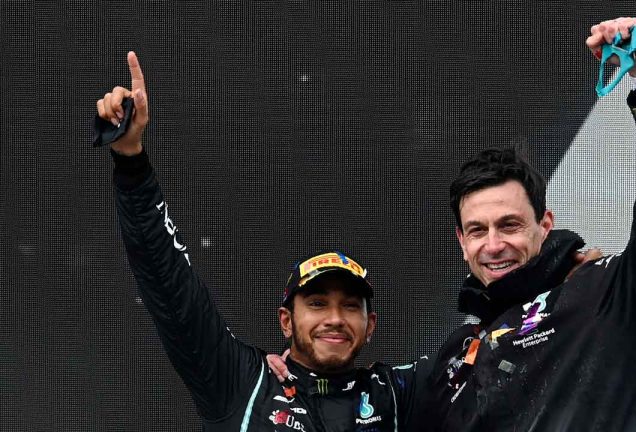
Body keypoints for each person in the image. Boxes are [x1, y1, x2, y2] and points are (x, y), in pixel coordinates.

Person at [406, 17, 636, 431]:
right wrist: (288, 375)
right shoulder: (453, 355)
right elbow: (360, 396)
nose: (493, 245)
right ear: (461, 241)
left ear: (544, 224)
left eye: (510, 225)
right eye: (478, 230)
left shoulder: (609, 293)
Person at [98, 52, 430, 431]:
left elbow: (498, 351)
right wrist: (129, 160)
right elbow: (169, 284)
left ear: (371, 325)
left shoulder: (395, 394)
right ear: (286, 321)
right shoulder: (243, 383)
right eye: (317, 303)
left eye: (351, 306)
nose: (335, 319)